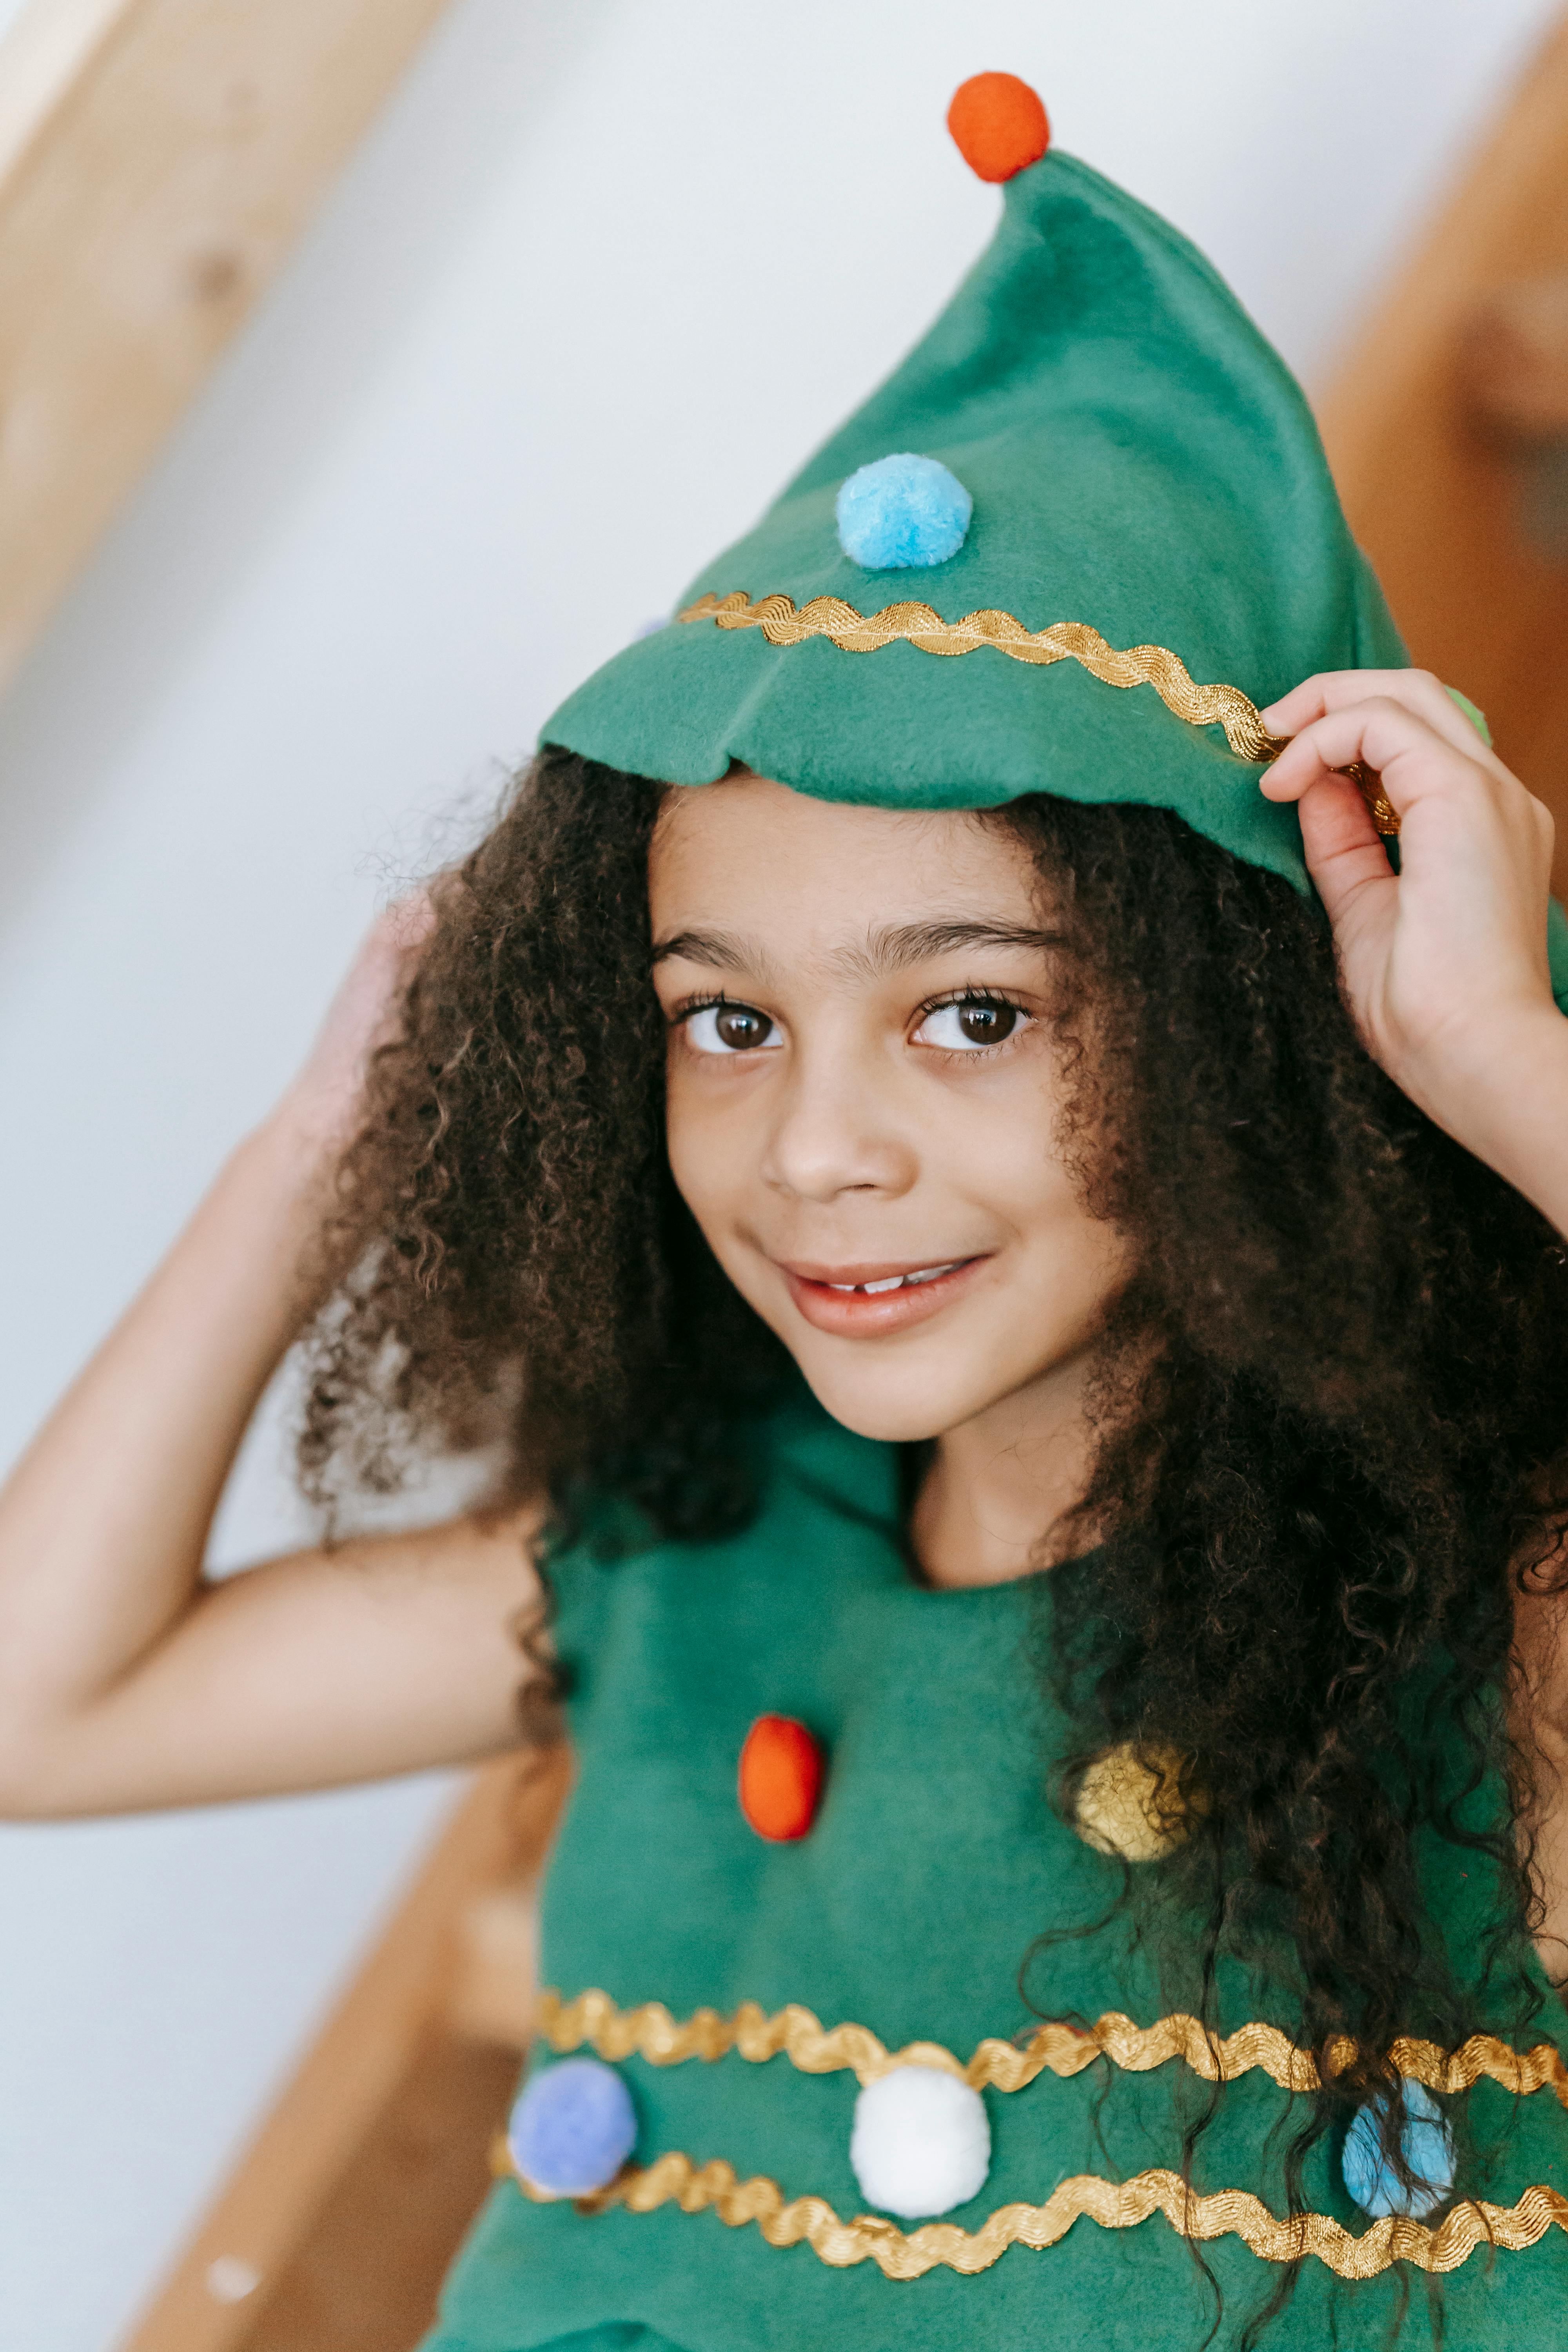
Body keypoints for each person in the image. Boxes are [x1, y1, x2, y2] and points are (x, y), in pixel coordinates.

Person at [3, 69, 1568, 2352]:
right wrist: (331, 1134)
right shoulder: (698, 1568)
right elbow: (46, 1708)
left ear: (1257, 1034)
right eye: (721, 1024)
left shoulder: (1488, 1593)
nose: (812, 1146)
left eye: (973, 1016)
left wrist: (1500, 1062)